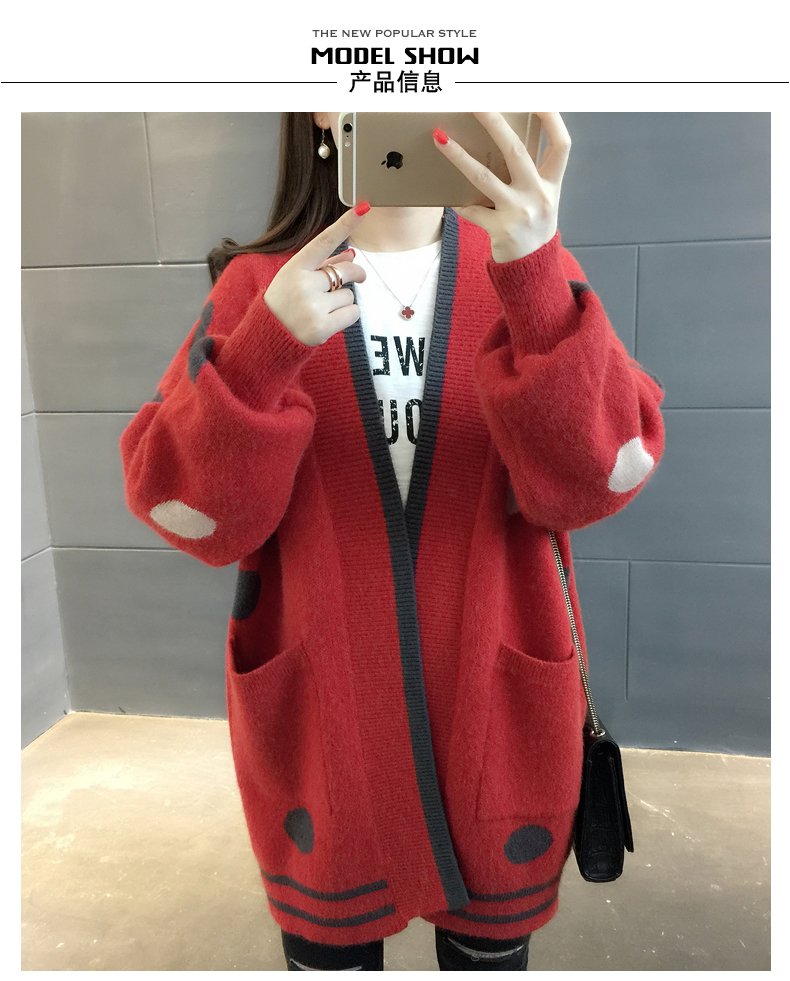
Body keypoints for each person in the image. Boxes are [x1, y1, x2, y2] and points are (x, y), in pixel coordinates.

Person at [121, 112, 665, 971]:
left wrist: (535, 272)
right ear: (320, 106)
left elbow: (606, 474)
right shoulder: (262, 288)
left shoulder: (528, 270)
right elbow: (179, 503)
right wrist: (265, 350)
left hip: (498, 717)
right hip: (324, 729)